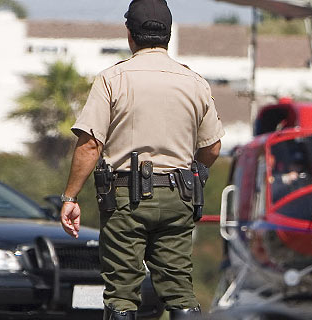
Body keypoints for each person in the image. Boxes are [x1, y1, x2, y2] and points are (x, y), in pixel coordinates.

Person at [57, 0, 224, 318]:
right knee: (179, 290)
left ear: (129, 34)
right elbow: (212, 146)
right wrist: (195, 174)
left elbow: (91, 144)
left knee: (121, 293)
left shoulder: (113, 79)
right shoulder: (195, 82)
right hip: (180, 195)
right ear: (168, 35)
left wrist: (71, 196)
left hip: (126, 198)